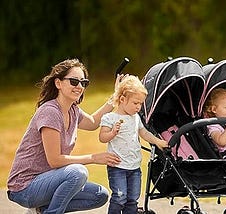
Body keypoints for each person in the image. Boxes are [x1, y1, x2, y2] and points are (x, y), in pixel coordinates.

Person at [7, 58, 122, 214]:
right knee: (78, 173)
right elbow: (55, 160)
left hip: (49, 182)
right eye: (74, 81)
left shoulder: (73, 110)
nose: (80, 86)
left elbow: (94, 122)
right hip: (25, 187)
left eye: (83, 82)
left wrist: (115, 96)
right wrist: (94, 158)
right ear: (58, 83)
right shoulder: (50, 112)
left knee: (99, 195)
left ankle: (39, 210)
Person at [99, 75, 168, 213]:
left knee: (132, 199)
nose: (139, 107)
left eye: (141, 104)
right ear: (122, 100)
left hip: (134, 167)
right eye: (136, 103)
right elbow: (102, 137)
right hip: (118, 166)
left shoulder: (136, 118)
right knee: (119, 197)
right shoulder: (110, 118)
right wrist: (112, 133)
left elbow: (144, 133)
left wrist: (158, 141)